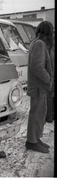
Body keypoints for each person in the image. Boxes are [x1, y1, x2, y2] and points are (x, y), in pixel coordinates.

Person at [25, 21, 54, 153]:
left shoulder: (36, 42)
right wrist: (49, 80)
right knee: (36, 114)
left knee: (39, 114)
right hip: (38, 87)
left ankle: (36, 138)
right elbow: (37, 66)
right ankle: (31, 141)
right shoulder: (40, 44)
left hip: (38, 87)